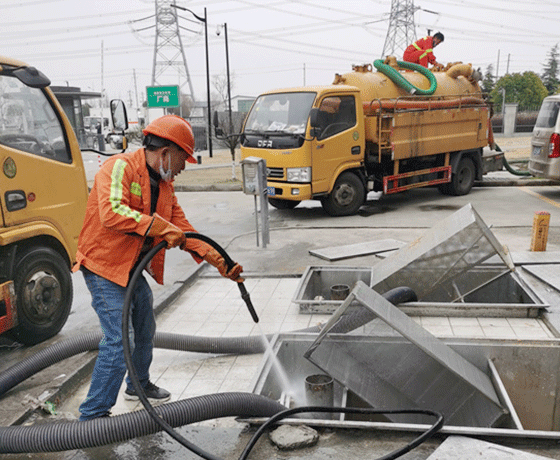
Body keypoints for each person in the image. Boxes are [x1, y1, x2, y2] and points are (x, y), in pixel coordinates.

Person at [74, 114, 243, 421]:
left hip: (131, 268)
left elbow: (184, 231)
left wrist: (222, 262)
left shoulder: (165, 188)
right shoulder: (119, 167)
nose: (184, 166)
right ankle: (93, 415)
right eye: (183, 158)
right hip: (104, 266)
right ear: (166, 152)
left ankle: (138, 384)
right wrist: (158, 227)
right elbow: (112, 212)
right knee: (119, 339)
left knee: (145, 326)